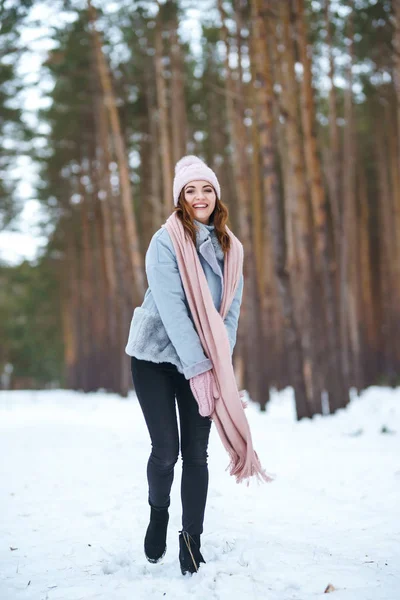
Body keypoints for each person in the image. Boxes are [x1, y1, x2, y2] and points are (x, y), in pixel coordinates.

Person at [125, 155, 270, 576]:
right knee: (166, 450)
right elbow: (172, 309)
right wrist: (198, 369)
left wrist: (218, 366)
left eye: (206, 188)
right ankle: (158, 512)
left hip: (203, 361)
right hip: (155, 357)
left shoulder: (232, 248)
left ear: (216, 195)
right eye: (190, 190)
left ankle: (192, 540)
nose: (199, 196)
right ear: (180, 199)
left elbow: (229, 315)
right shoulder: (164, 241)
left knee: (197, 454)